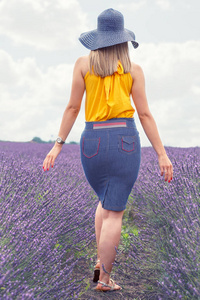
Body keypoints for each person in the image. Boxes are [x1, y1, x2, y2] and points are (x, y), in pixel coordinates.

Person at [43, 8, 173, 292]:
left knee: (104, 203)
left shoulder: (82, 64)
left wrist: (57, 145)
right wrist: (162, 154)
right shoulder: (133, 70)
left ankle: (98, 271)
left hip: (91, 142)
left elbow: (73, 107)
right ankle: (103, 281)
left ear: (97, 38)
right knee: (114, 212)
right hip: (124, 140)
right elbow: (145, 115)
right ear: (123, 39)